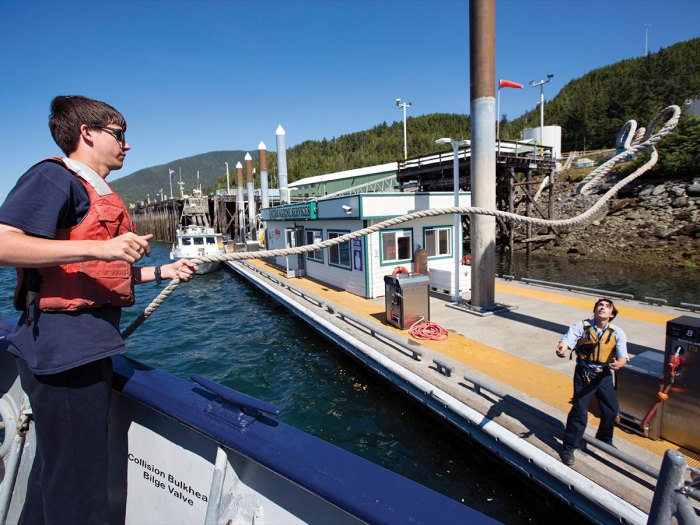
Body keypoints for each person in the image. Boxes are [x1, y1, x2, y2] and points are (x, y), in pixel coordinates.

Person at [0, 95, 198, 524]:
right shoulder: (55, 179)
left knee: (56, 477)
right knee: (80, 490)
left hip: (79, 351)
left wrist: (164, 271)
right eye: (119, 134)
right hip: (65, 355)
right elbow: (3, 242)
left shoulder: (94, 190)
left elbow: (95, 278)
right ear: (86, 133)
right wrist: (99, 245)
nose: (127, 145)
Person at [555, 298, 629, 466]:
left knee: (611, 410)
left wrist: (621, 362)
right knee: (580, 410)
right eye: (599, 306)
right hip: (584, 372)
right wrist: (562, 347)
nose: (602, 308)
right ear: (594, 310)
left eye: (607, 306)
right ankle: (569, 447)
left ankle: (604, 439)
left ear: (612, 314)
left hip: (603, 374)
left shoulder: (617, 332)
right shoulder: (581, 326)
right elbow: (568, 339)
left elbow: (623, 355)